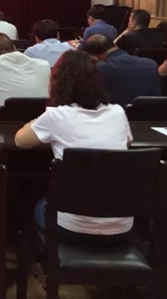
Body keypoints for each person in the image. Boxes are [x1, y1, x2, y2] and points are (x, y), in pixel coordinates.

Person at [14, 50, 133, 241]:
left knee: (30, 201)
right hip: (122, 225)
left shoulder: (56, 115)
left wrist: (41, 118)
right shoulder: (118, 112)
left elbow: (20, 141)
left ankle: (27, 250)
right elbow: (127, 143)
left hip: (71, 226)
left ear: (57, 82)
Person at [84, 34, 162, 105]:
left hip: (121, 114)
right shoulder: (151, 64)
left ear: (94, 57)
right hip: (156, 113)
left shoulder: (102, 68)